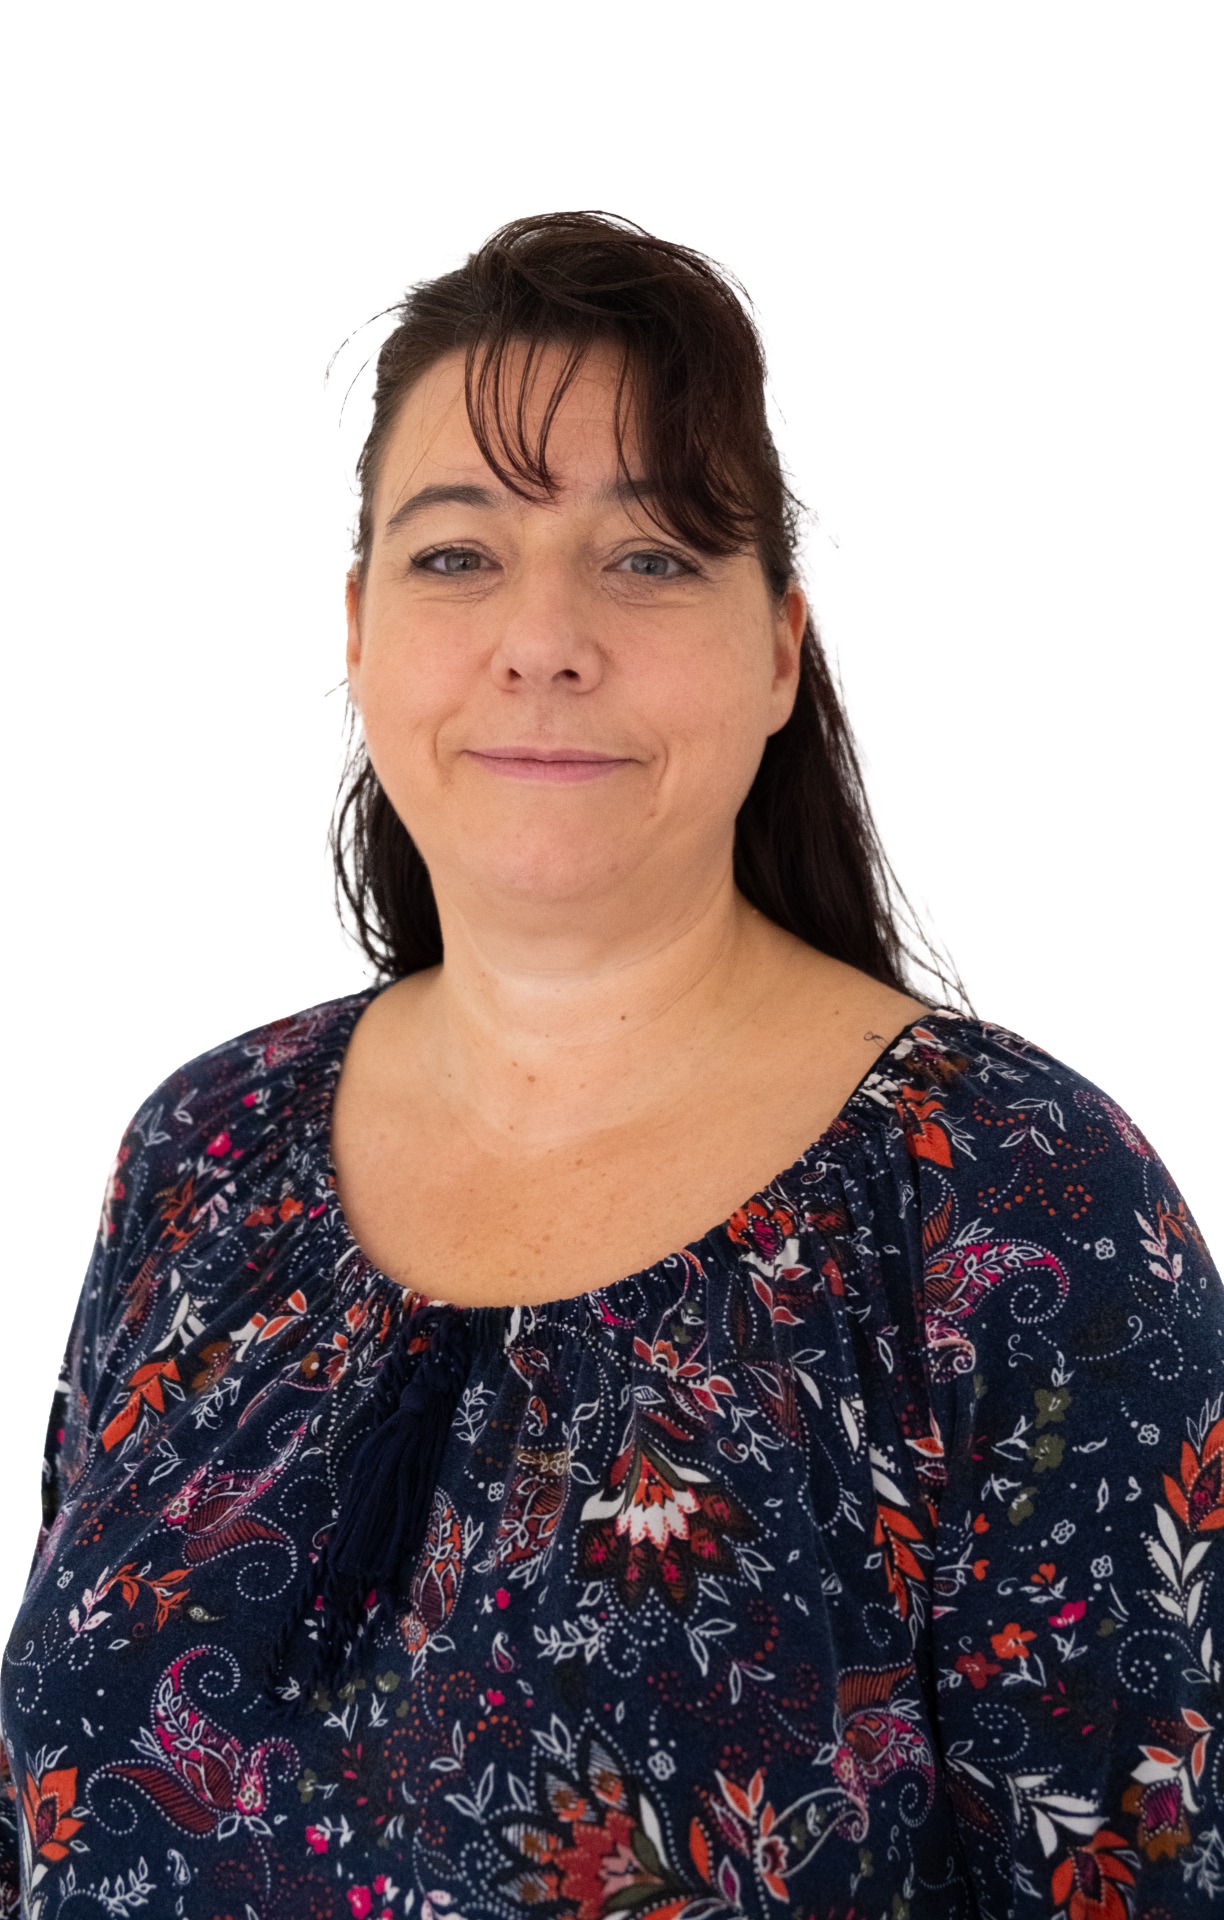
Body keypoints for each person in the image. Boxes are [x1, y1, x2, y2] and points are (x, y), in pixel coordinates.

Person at [1, 211, 1219, 1920]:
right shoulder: (205, 1149)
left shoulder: (1013, 1204)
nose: (545, 636)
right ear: (357, 631)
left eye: (649, 558)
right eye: (456, 556)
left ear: (779, 648)